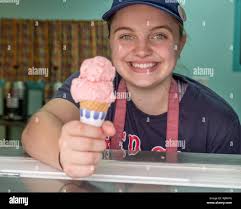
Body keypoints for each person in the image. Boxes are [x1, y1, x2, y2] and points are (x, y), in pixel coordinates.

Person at [21, 0, 241, 178]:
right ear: (110, 42)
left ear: (180, 44)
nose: (142, 50)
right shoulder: (93, 85)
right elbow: (36, 128)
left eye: (158, 35)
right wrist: (63, 153)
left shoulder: (218, 121)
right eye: (126, 36)